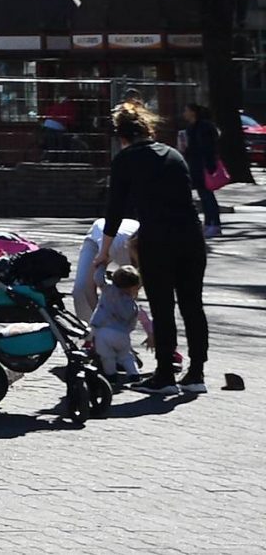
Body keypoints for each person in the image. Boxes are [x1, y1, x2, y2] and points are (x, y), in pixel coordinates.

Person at [96, 102, 209, 393]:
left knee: (163, 307)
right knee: (192, 305)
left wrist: (104, 251)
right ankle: (196, 374)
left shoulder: (126, 160)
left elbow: (115, 210)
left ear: (122, 137)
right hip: (192, 238)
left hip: (158, 240)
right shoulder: (173, 155)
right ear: (148, 130)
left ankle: (165, 377)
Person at [88, 264, 153, 381]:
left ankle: (111, 375)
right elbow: (145, 320)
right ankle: (133, 374)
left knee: (107, 356)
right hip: (122, 334)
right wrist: (150, 334)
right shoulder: (134, 306)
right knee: (126, 356)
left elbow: (98, 278)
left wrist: (102, 264)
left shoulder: (108, 290)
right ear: (135, 287)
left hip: (102, 331)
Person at [181, 103, 225, 239]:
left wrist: (209, 165)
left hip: (204, 165)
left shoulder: (204, 127)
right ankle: (208, 223)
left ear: (193, 112)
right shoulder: (190, 128)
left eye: (186, 110)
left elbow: (207, 148)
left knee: (207, 195)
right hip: (195, 165)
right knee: (203, 195)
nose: (184, 113)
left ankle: (215, 224)